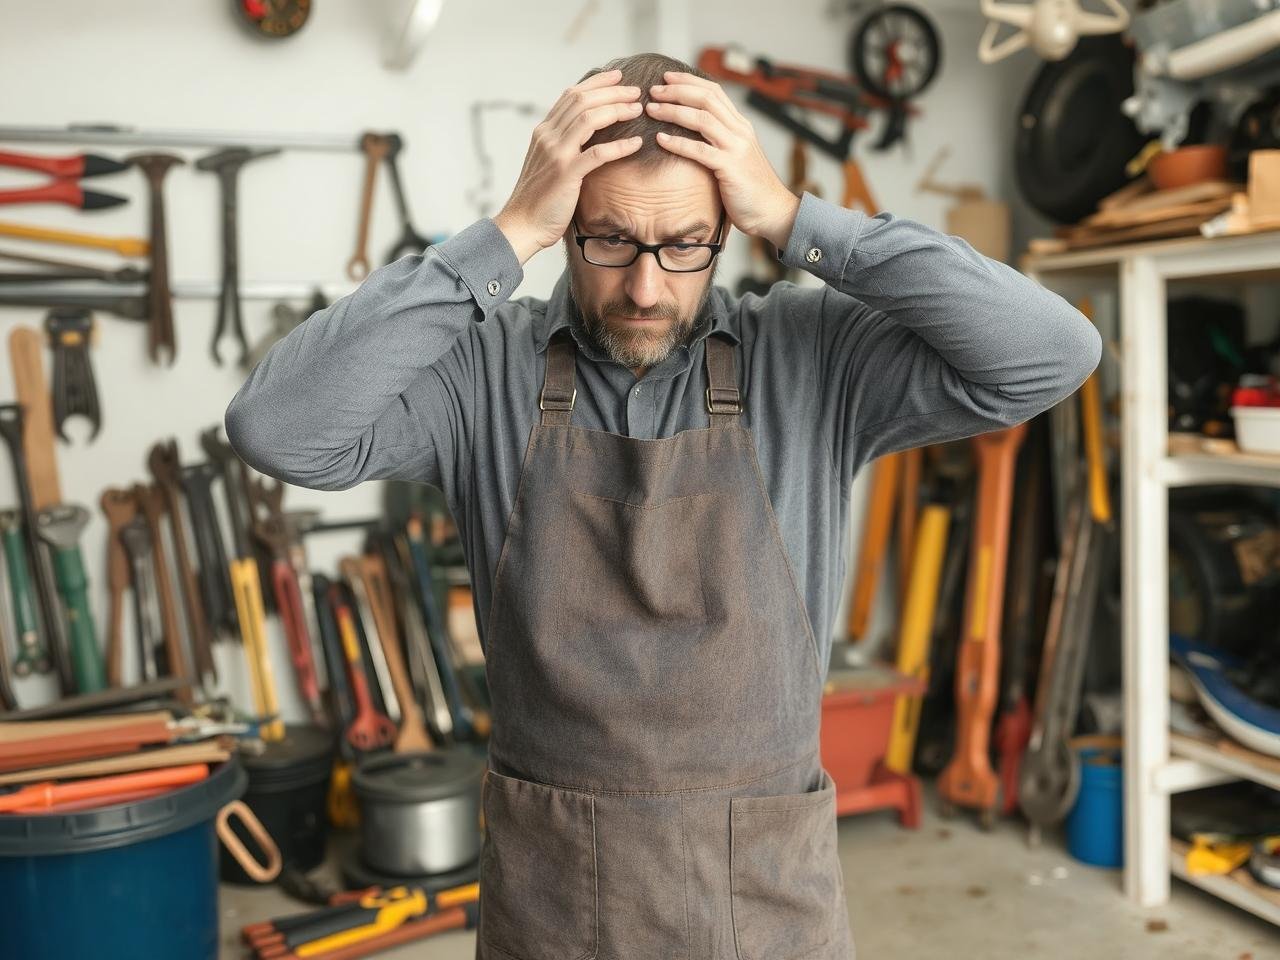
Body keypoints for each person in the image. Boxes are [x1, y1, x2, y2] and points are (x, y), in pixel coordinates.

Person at [225, 51, 1101, 960]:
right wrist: (503, 234)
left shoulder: (809, 358)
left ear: (728, 223)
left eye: (685, 246)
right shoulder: (486, 372)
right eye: (608, 241)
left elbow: (1053, 351)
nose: (646, 288)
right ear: (564, 226)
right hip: (552, 896)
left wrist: (801, 221)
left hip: (763, 901)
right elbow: (277, 429)